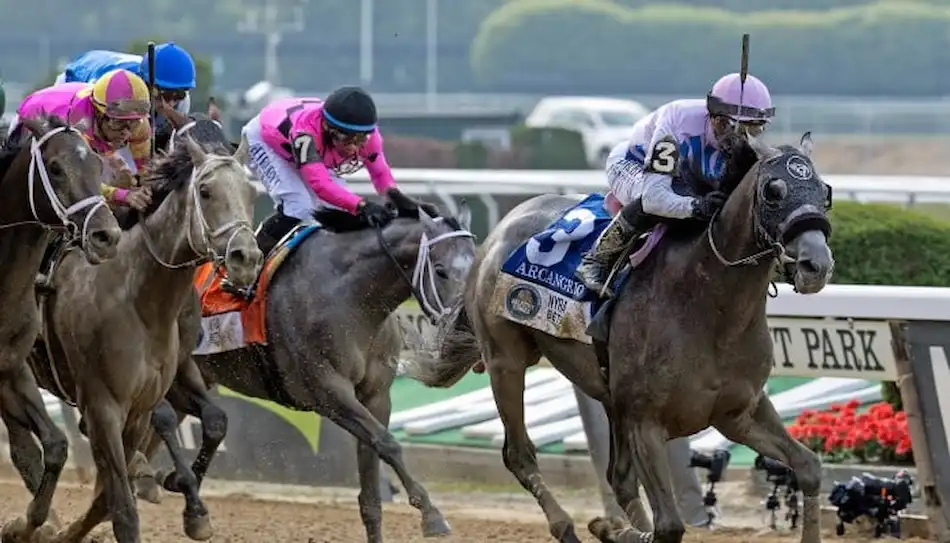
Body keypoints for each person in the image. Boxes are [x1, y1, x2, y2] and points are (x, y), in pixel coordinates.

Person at [575, 72, 775, 297]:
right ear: (717, 119)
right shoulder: (679, 120)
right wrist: (697, 207)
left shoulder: (741, 142)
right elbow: (655, 198)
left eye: (756, 129)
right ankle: (598, 259)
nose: (747, 139)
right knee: (658, 199)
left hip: (687, 174)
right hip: (635, 164)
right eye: (741, 130)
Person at [243, 85, 427, 253]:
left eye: (360, 140)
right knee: (299, 207)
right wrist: (362, 205)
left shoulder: (369, 136)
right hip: (264, 140)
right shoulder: (305, 133)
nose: (355, 148)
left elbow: (380, 173)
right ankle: (250, 260)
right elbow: (320, 185)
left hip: (305, 149)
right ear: (327, 127)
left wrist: (393, 197)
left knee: (344, 211)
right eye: (348, 140)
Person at [10, 68, 154, 211]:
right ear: (98, 113)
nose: (127, 132)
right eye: (118, 123)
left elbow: (145, 170)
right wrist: (123, 196)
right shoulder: (78, 126)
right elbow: (80, 182)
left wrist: (145, 184)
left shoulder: (137, 122)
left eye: (133, 123)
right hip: (32, 119)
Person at [56, 42, 197, 133]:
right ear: (146, 83)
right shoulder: (116, 91)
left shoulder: (183, 103)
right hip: (76, 84)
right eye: (165, 95)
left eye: (178, 95)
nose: (171, 103)